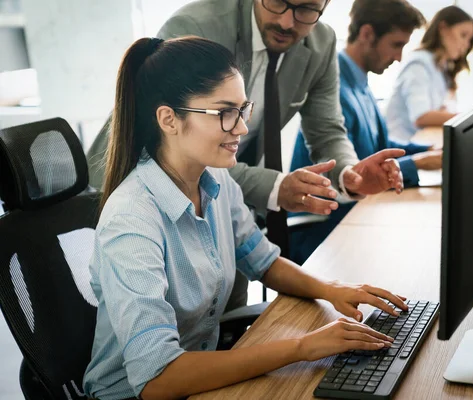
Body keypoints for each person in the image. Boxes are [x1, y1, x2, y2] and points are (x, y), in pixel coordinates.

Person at [83, 36, 408, 400]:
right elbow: (157, 379)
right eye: (224, 113)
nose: (240, 129)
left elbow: (264, 262)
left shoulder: (215, 178)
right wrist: (302, 347)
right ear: (169, 119)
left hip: (201, 373)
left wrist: (332, 289)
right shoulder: (131, 219)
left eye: (242, 110)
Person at [86, 0, 405, 313]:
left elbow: (327, 130)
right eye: (279, 2)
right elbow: (178, 147)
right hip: (151, 183)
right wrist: (276, 187)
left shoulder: (320, 44)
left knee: (218, 314)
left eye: (306, 9)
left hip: (215, 181)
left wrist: (349, 175)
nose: (287, 22)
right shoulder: (197, 28)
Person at [288, 0, 443, 265]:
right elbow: (362, 173)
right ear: (367, 34)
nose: (399, 57)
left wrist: (430, 151)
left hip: (354, 216)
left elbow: (377, 145)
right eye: (396, 45)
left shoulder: (359, 79)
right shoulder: (334, 85)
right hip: (323, 227)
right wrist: (418, 163)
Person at [386, 5, 473, 142]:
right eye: (463, 35)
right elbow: (421, 116)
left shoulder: (443, 66)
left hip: (422, 140)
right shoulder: (418, 64)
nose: (466, 45)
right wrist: (469, 117)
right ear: (443, 28)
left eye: (470, 40)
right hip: (402, 145)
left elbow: (442, 108)